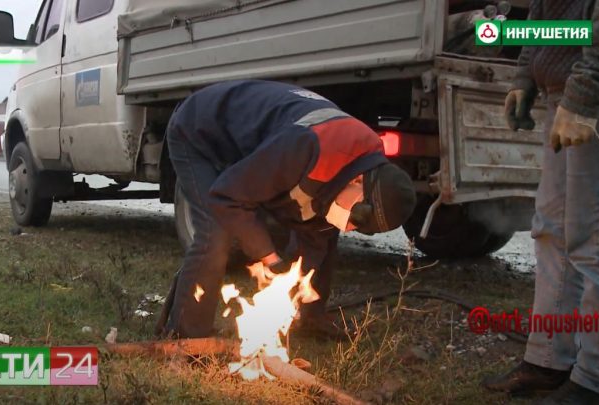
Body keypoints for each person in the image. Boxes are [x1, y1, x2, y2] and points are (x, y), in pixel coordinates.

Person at [155, 79, 416, 339]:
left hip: (255, 142)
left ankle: (310, 319)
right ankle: (186, 335)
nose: (350, 226)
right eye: (359, 216)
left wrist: (294, 284)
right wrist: (269, 257)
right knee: (216, 230)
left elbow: (314, 236)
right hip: (199, 130)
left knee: (324, 229)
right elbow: (227, 197)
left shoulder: (364, 164)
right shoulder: (306, 146)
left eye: (361, 228)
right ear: (358, 180)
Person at [483, 0, 599, 403]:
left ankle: (592, 380)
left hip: (589, 101)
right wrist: (523, 78)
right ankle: (547, 362)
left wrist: (585, 96)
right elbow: (542, 13)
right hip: (564, 97)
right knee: (551, 231)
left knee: (592, 242)